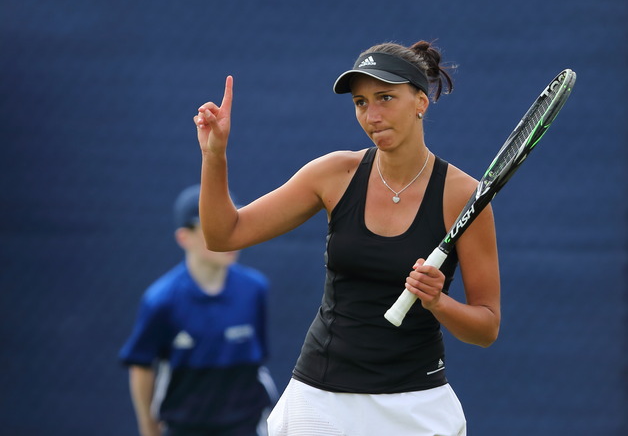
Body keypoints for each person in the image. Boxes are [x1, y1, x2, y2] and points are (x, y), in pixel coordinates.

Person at [194, 40, 500, 435]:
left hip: (415, 403)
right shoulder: (333, 174)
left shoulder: (464, 196)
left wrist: (438, 302)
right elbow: (223, 235)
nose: (372, 115)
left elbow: (486, 327)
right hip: (319, 399)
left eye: (385, 98)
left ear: (420, 102)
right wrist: (214, 155)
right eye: (360, 102)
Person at [119, 184, 278, 436]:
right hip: (185, 428)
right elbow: (141, 366)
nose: (227, 235)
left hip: (244, 427)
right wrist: (148, 429)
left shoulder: (255, 289)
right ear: (184, 238)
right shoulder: (161, 300)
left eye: (232, 223)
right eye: (213, 227)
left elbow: (257, 361)